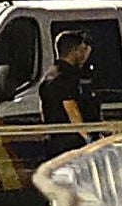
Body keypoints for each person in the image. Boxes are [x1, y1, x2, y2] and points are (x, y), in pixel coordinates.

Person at [38, 28, 99, 161]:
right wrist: (87, 137)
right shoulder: (67, 77)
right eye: (82, 50)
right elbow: (71, 109)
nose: (84, 54)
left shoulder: (49, 76)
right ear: (75, 50)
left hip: (54, 141)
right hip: (71, 142)